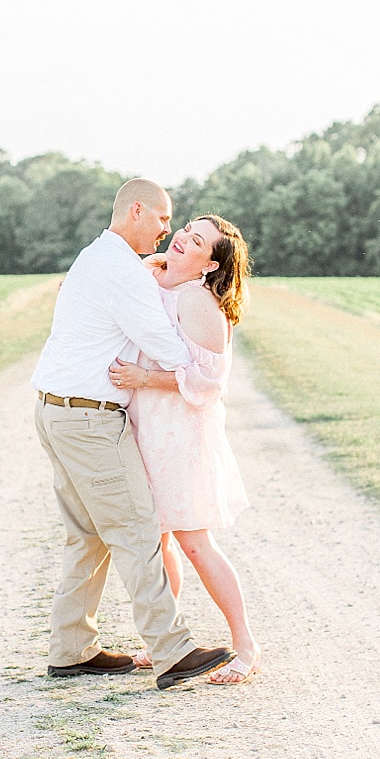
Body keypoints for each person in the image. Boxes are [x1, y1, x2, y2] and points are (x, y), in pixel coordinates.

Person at [30, 178, 235, 690]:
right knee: (138, 531)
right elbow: (170, 350)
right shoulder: (124, 272)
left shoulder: (97, 255)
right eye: (165, 219)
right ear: (138, 211)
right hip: (89, 420)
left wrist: (160, 274)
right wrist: (197, 355)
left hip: (56, 412)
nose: (168, 231)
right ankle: (172, 651)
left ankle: (72, 649)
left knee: (88, 536)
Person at [108, 214, 262, 685]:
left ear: (210, 263)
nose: (181, 238)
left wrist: (144, 379)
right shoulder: (157, 281)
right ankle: (165, 641)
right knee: (158, 540)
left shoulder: (198, 302)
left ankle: (245, 645)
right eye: (185, 230)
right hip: (147, 430)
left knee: (195, 541)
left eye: (196, 240)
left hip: (181, 436)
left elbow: (209, 381)